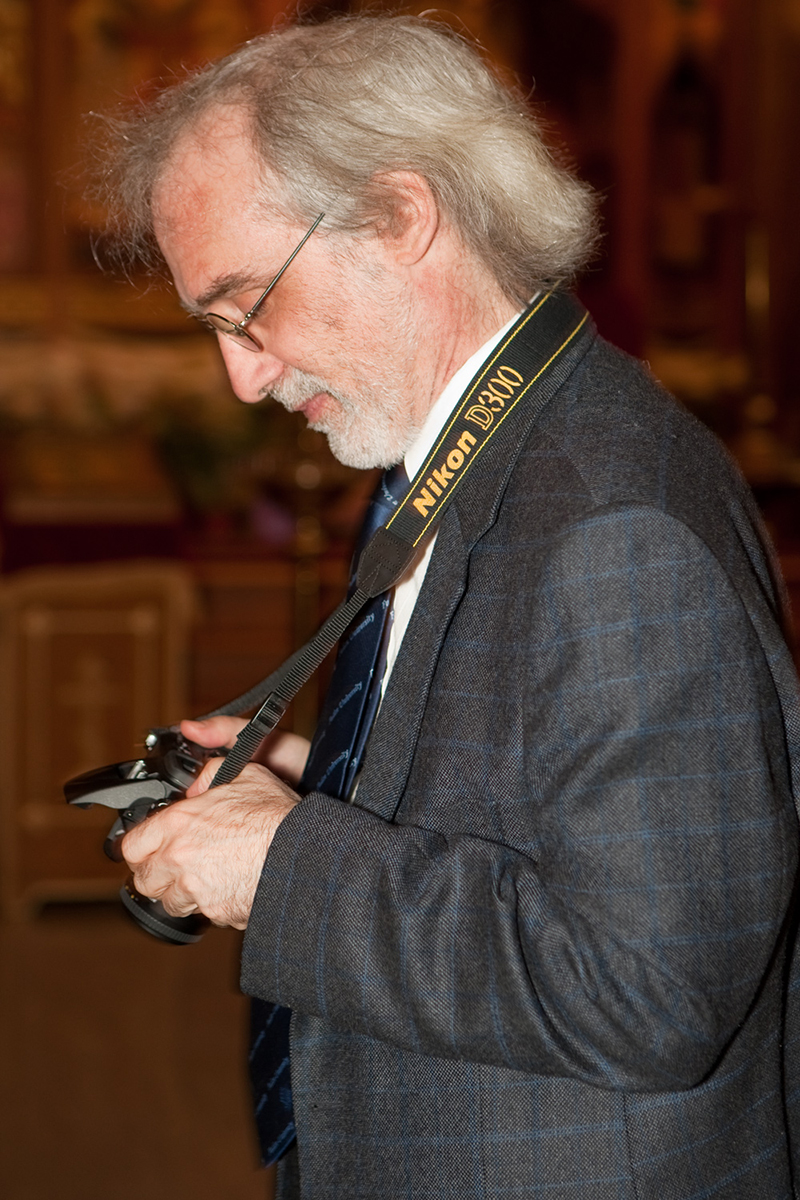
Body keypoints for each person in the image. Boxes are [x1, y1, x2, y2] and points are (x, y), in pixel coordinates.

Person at [101, 14, 800, 1198]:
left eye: (248, 305)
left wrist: (285, 870)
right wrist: (327, 790)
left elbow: (651, 991)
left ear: (401, 216)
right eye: (215, 329)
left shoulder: (613, 521)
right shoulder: (495, 450)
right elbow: (545, 800)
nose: (244, 374)